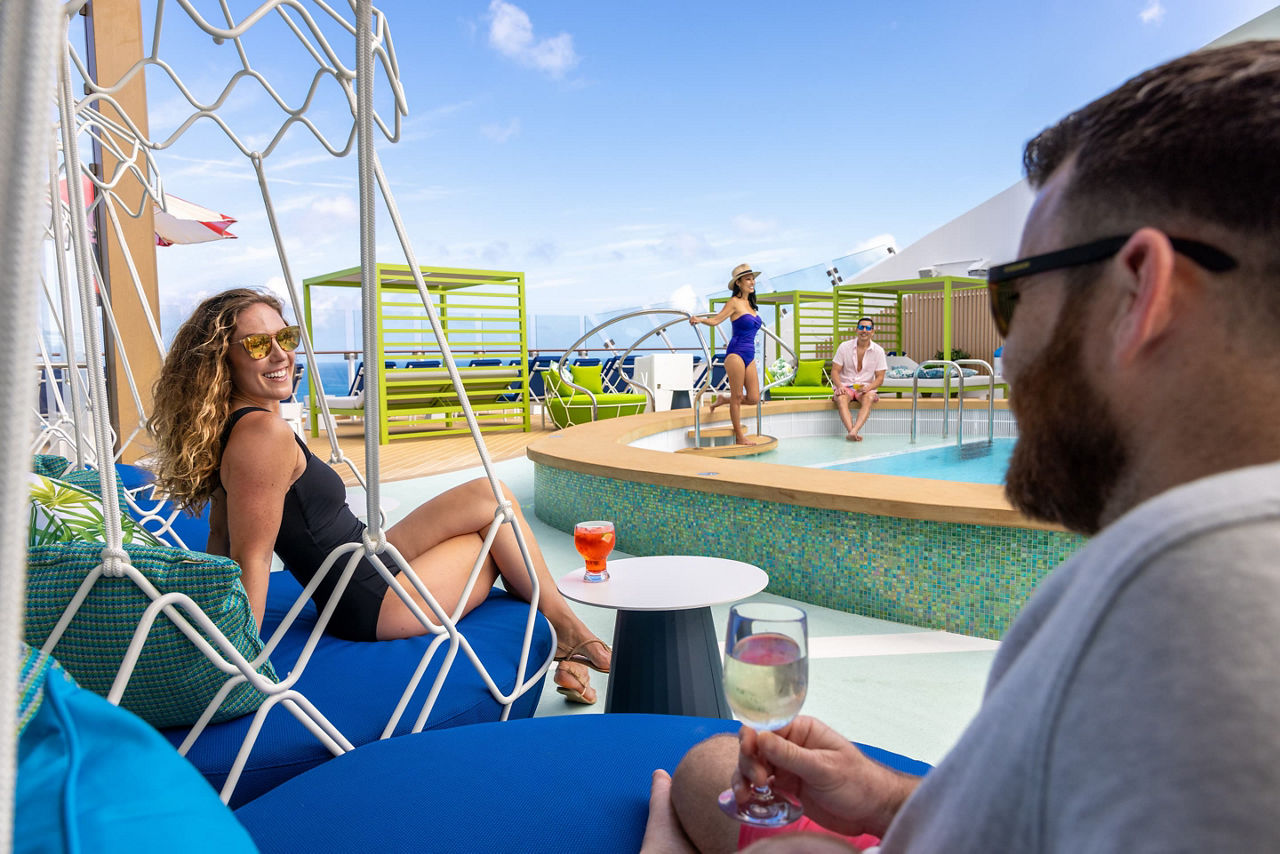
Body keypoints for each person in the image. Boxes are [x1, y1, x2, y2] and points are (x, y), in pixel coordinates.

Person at [643, 39, 1280, 852]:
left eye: (1013, 296)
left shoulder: (1183, 599)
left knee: (708, 783)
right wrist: (888, 798)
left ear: (1139, 295)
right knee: (707, 765)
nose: (1006, 354)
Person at [147, 288, 611, 704]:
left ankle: (566, 639)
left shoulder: (242, 426)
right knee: (498, 540)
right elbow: (249, 558)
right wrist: (235, 665)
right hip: (367, 600)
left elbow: (218, 536)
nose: (279, 354)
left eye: (285, 337)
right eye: (256, 344)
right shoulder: (262, 434)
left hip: (363, 559)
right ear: (220, 359)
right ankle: (567, 634)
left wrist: (206, 617)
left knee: (491, 495)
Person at [692, 263, 764, 445]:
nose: (752, 281)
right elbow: (716, 320)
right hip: (736, 354)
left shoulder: (751, 304)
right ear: (738, 283)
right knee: (738, 396)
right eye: (748, 279)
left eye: (752, 278)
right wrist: (699, 319)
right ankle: (740, 437)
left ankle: (723, 399)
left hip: (750, 354)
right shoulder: (733, 303)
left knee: (755, 398)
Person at [830, 318, 886, 441]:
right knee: (841, 398)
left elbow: (880, 377)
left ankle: (853, 431)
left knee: (869, 398)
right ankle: (852, 431)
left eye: (868, 328)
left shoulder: (879, 351)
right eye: (861, 327)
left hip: (866, 387)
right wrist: (839, 386)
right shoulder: (844, 347)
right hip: (845, 385)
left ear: (873, 332)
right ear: (856, 330)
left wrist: (869, 388)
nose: (864, 330)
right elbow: (834, 371)